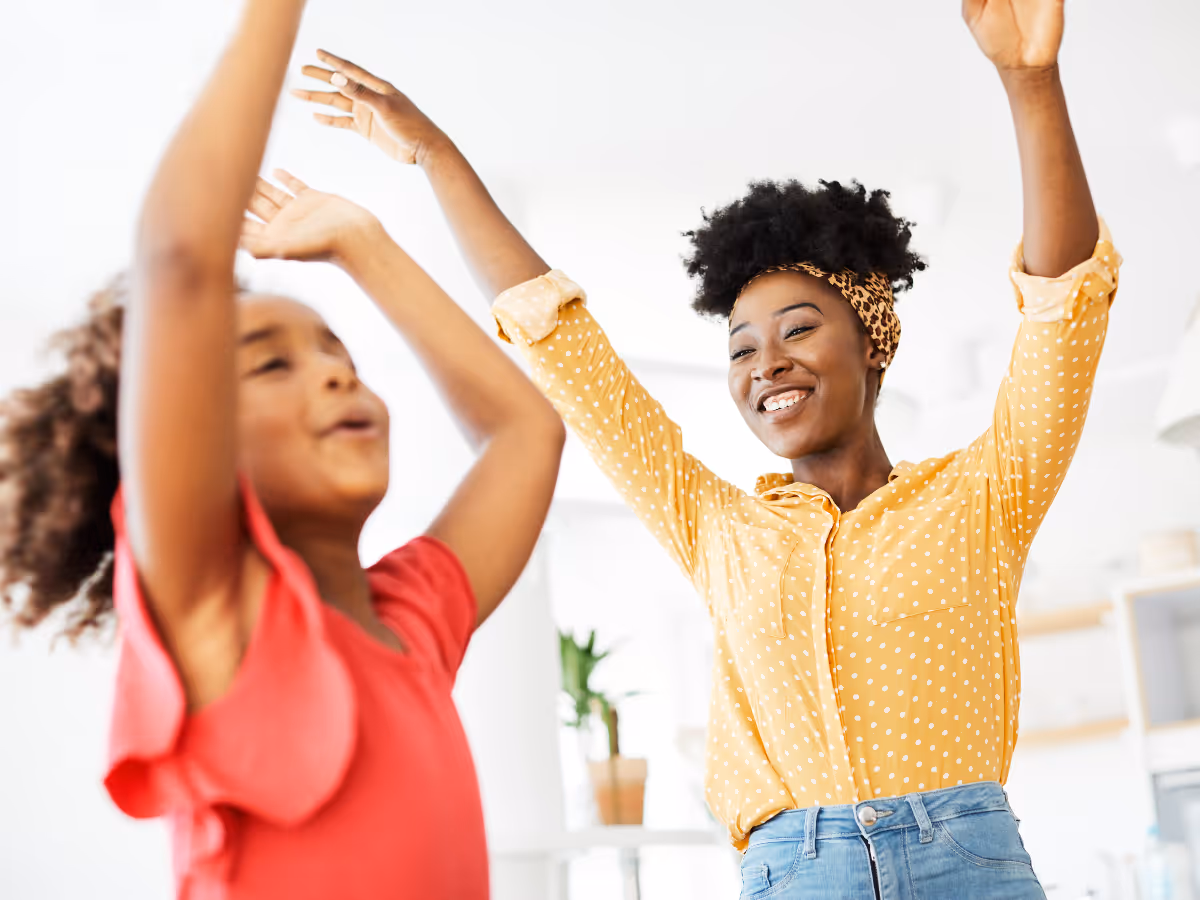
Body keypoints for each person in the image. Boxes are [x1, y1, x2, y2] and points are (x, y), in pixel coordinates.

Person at [293, 0, 1119, 896]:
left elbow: (1062, 314)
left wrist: (1030, 81)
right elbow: (564, 350)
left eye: (799, 330)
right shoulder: (717, 528)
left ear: (875, 339)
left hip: (970, 868)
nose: (768, 366)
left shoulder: (984, 498)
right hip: (794, 872)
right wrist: (437, 159)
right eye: (741, 349)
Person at [0, 1, 566, 898]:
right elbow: (181, 260)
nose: (335, 377)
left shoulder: (413, 623)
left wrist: (363, 244)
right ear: (191, 442)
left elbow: (527, 432)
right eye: (271, 364)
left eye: (338, 356)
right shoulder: (215, 605)